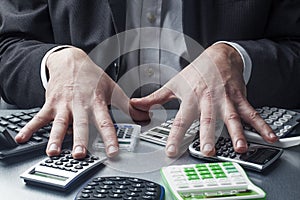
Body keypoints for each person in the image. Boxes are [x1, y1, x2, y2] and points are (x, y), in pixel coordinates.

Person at [0, 0, 299, 159]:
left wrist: (238, 58)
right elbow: (9, 45)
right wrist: (55, 62)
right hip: (76, 149)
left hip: (232, 149)